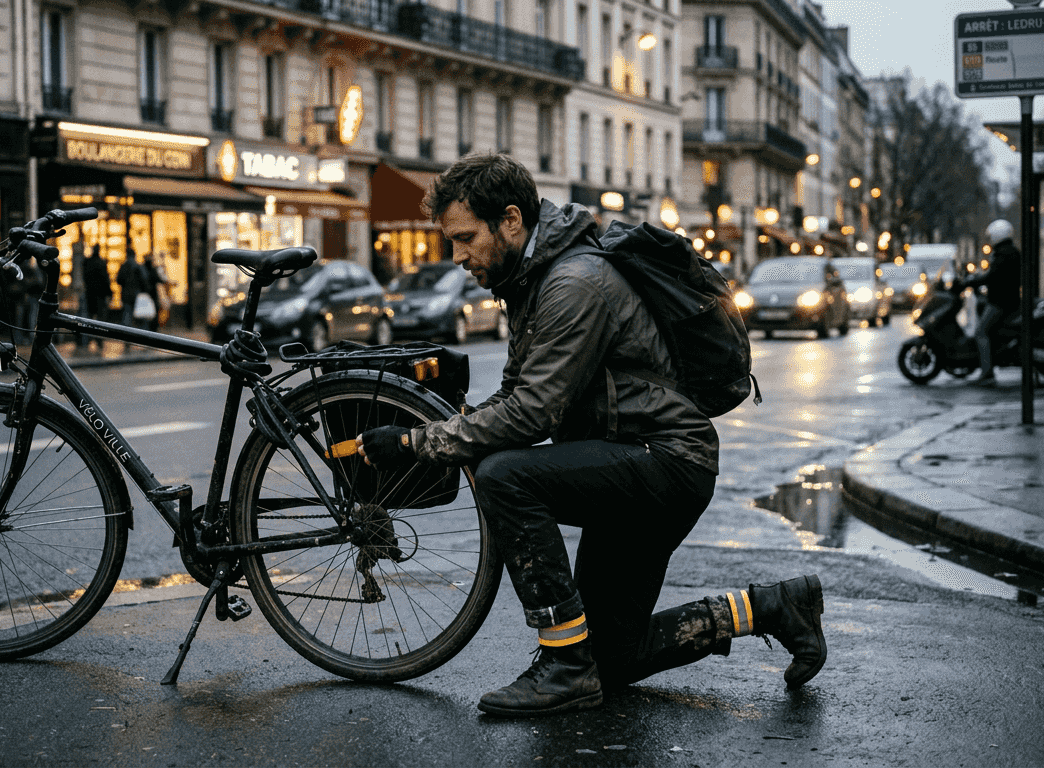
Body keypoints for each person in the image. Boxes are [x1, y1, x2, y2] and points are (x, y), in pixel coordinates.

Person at [354, 153, 826, 717]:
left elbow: (530, 415)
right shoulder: (532, 281)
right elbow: (514, 396)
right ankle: (776, 607)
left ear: (511, 221)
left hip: (663, 462)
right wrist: (442, 431)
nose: (457, 256)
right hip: (636, 459)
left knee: (504, 476)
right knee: (614, 656)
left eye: (465, 238)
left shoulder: (573, 283)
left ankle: (564, 667)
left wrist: (417, 444)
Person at [966, 219, 1020, 386]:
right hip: (1008, 300)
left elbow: (992, 276)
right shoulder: (1009, 252)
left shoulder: (1003, 254)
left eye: (991, 236)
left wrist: (972, 281)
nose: (990, 240)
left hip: (1001, 302)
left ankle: (987, 373)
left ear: (997, 235)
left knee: (981, 331)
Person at [82, 247, 113, 350]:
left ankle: (88, 339)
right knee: (100, 319)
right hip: (100, 295)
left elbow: (85, 277)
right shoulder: (101, 263)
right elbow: (105, 279)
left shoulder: (87, 263)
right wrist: (109, 293)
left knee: (89, 318)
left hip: (90, 294)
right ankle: (98, 340)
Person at [117, 248, 152, 332]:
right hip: (136, 293)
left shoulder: (124, 266)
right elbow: (144, 280)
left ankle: (126, 334)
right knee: (141, 314)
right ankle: (142, 333)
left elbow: (119, 280)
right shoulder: (138, 266)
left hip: (126, 293)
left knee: (127, 314)